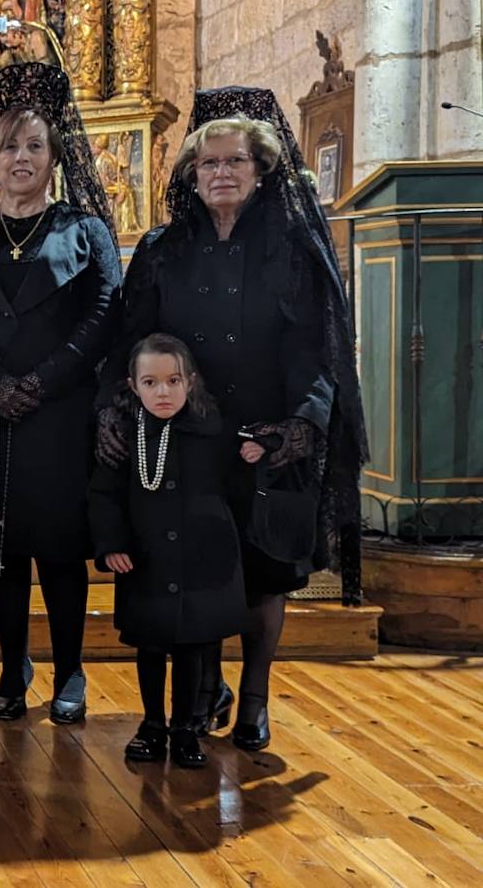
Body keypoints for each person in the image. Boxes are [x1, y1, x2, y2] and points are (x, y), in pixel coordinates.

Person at [97, 88, 367, 751]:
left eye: (234, 161)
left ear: (261, 169)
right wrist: (113, 404)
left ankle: (253, 699)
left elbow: (314, 348)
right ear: (191, 173)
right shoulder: (163, 249)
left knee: (265, 569)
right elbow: (130, 338)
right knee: (203, 569)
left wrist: (303, 423)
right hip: (186, 440)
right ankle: (205, 691)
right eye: (207, 162)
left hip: (265, 436)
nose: (220, 173)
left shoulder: (291, 249)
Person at [0, 63, 121, 723]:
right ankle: (14, 666)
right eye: (9, 146)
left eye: (34, 146)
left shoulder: (86, 232)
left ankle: (70, 671)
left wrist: (44, 380)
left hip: (58, 413)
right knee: (3, 548)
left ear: (55, 156)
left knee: (60, 549)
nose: (20, 157)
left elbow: (104, 316)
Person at [89, 334, 247, 769]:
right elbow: (104, 495)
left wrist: (255, 454)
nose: (163, 392)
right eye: (152, 382)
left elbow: (236, 490)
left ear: (190, 382)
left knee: (194, 649)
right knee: (152, 647)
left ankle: (185, 728)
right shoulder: (126, 435)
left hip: (202, 561)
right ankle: (153, 724)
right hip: (148, 561)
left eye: (173, 380)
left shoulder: (215, 431)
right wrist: (111, 544)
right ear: (133, 385)